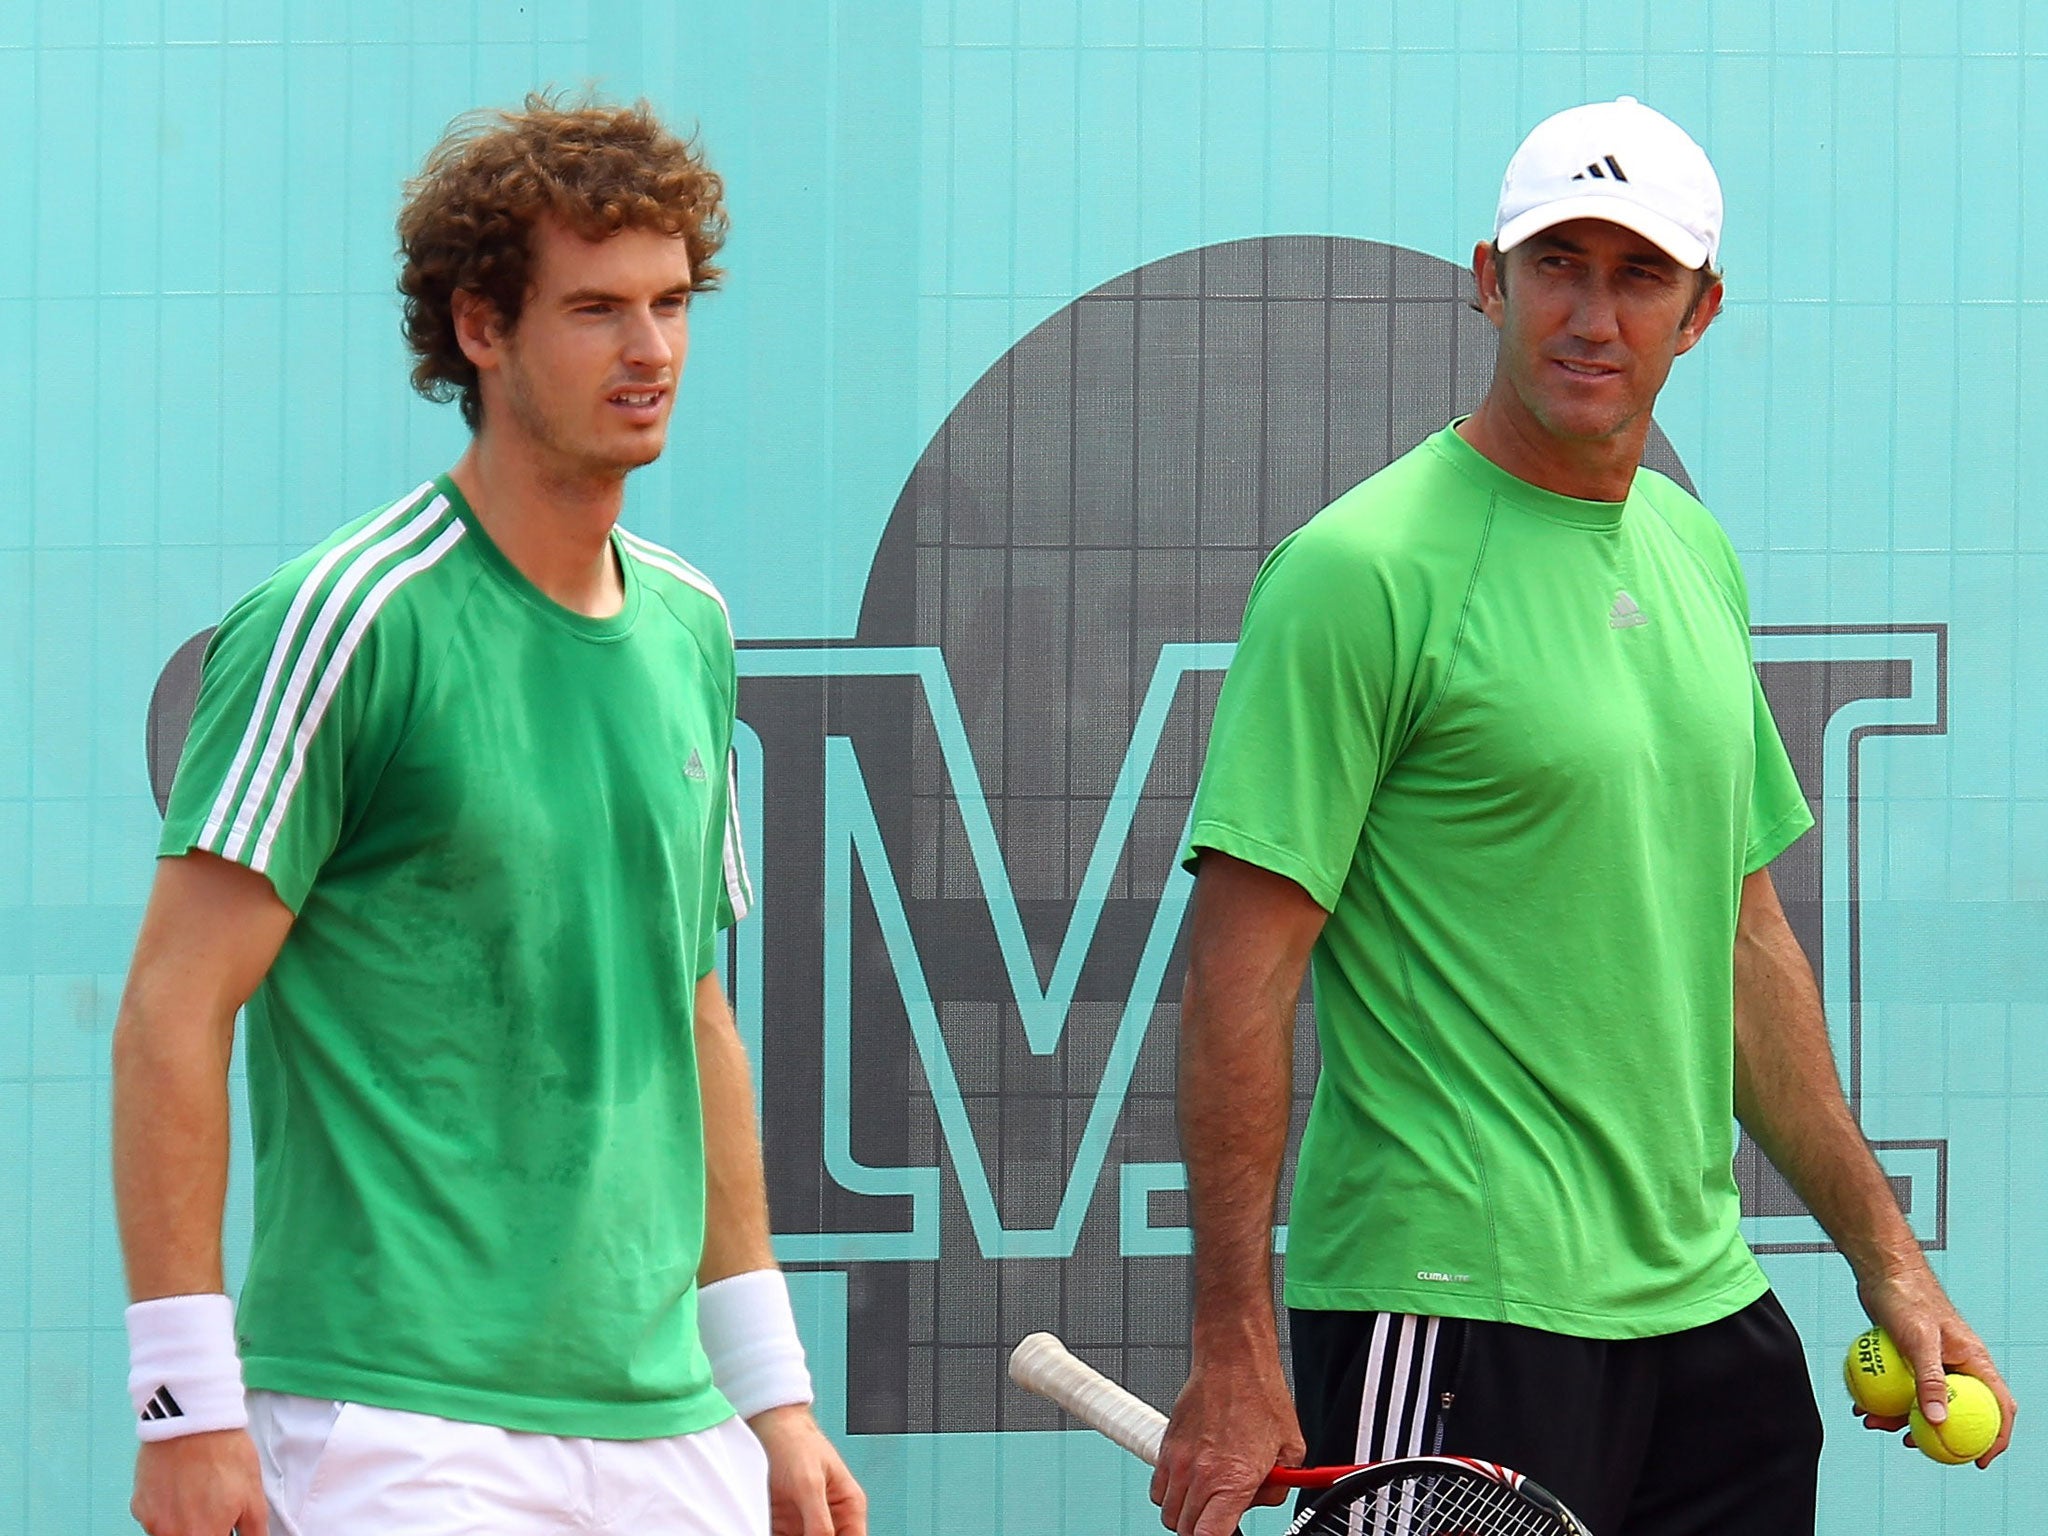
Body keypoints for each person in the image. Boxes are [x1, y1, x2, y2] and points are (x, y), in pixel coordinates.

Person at [1152, 96, 2016, 1536]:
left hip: (1704, 1319)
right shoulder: (1359, 571)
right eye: (1558, 264)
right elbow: (1242, 979)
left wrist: (1888, 1261)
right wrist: (1232, 1344)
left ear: (1701, 312)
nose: (1590, 316)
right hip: (1452, 1312)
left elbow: (1740, 937)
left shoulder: (1689, 550)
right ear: (1489, 276)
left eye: (1637, 277)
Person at [112, 95, 867, 1536]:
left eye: (670, 304)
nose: (649, 353)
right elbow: (169, 1011)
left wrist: (771, 1397)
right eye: (595, 310)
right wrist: (186, 1408)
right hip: (391, 1424)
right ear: (479, 328)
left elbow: (693, 1016)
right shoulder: (344, 620)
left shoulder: (692, 628)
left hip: (671, 1424)